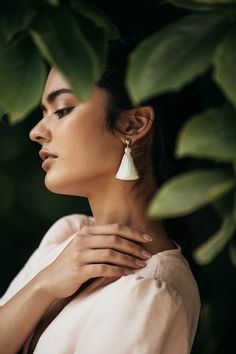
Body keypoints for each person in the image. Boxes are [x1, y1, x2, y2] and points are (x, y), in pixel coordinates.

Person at [0, 39, 201, 354]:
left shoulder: (148, 294)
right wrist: (42, 286)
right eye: (44, 112)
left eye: (62, 110)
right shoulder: (67, 237)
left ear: (133, 124)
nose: (36, 131)